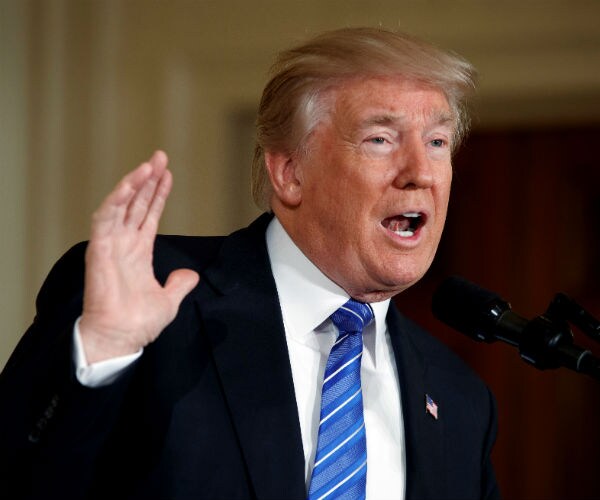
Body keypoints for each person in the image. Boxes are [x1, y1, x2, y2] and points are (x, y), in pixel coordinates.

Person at [0, 27, 499, 500]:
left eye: (437, 142)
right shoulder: (153, 297)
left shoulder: (460, 401)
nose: (420, 173)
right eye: (380, 140)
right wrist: (100, 356)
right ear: (289, 173)